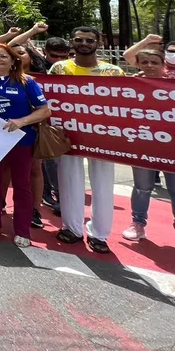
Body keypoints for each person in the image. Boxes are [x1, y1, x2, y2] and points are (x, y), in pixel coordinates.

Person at [50, 27, 125, 253]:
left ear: (99, 43)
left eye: (89, 40)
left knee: (103, 185)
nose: (84, 43)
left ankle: (99, 234)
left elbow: (125, 105)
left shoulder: (113, 72)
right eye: (79, 40)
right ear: (72, 42)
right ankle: (72, 228)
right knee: (69, 180)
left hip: (102, 136)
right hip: (68, 134)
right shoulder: (59, 68)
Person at [0, 44, 51, 248]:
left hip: (21, 140)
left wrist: (22, 121)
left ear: (13, 59)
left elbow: (44, 111)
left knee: (22, 184)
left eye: (3, 56)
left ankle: (22, 230)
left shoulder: (26, 82)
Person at [121, 45, 175, 241]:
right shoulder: (131, 86)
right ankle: (138, 223)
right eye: (145, 62)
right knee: (142, 187)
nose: (150, 66)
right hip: (143, 145)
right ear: (138, 65)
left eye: (154, 62)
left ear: (163, 64)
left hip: (172, 147)